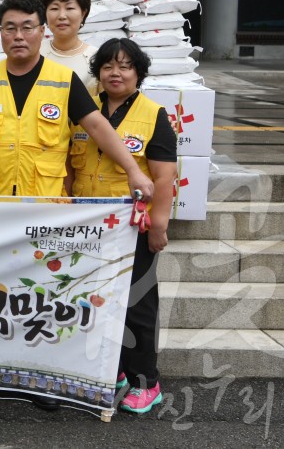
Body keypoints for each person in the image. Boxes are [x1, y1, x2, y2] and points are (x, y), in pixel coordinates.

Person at [0, 0, 156, 410]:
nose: (19, 35)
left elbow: (97, 126)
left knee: (41, 295)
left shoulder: (64, 80)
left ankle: (40, 378)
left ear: (41, 32)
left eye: (28, 26)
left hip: (44, 208)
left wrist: (134, 170)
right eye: (10, 27)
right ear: (0, 34)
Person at [68, 38, 176, 415]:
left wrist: (158, 226)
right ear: (97, 73)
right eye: (109, 66)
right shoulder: (85, 112)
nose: (116, 73)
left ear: (139, 74)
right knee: (95, 302)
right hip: (90, 226)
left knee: (137, 306)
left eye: (126, 66)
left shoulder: (154, 114)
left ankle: (147, 383)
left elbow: (164, 178)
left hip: (134, 227)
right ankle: (112, 373)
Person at [38, 0, 98, 94]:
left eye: (69, 8)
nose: (62, 16)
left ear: (83, 13)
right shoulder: (34, 52)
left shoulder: (96, 58)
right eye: (54, 8)